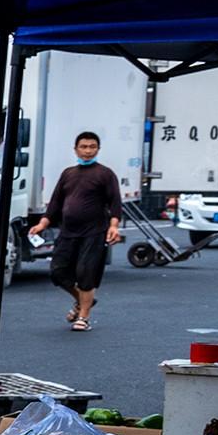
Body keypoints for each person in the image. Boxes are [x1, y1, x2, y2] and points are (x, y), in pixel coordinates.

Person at [30, 130, 126, 331]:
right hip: (68, 232)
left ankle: (83, 316)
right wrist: (42, 224)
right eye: (83, 147)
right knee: (58, 272)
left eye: (92, 147)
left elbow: (115, 203)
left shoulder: (105, 174)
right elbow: (55, 202)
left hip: (94, 232)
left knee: (86, 273)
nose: (88, 151)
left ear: (98, 149)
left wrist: (114, 226)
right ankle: (83, 300)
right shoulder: (68, 174)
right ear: (75, 149)